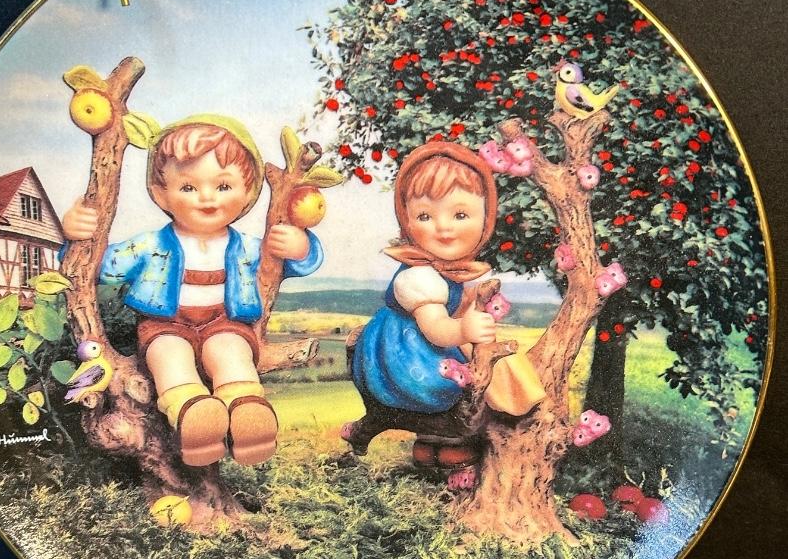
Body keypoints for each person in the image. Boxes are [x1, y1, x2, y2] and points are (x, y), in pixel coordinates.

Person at [61, 114, 323, 466]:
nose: (207, 198)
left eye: (223, 186)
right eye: (188, 188)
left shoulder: (247, 247)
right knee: (169, 357)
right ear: (161, 193)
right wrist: (74, 237)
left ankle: (248, 416)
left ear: (248, 191)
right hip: (165, 326)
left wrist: (300, 247)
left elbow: (283, 266)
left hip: (225, 323)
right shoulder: (150, 245)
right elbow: (100, 267)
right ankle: (194, 418)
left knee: (232, 353)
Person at [352, 140, 545, 418]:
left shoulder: (448, 271)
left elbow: (452, 306)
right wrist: (464, 330)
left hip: (435, 342)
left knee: (499, 358)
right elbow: (436, 328)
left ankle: (519, 402)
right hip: (408, 358)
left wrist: (470, 304)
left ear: (485, 219)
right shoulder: (418, 276)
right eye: (425, 216)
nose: (443, 227)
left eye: (460, 215)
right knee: (462, 375)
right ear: (407, 221)